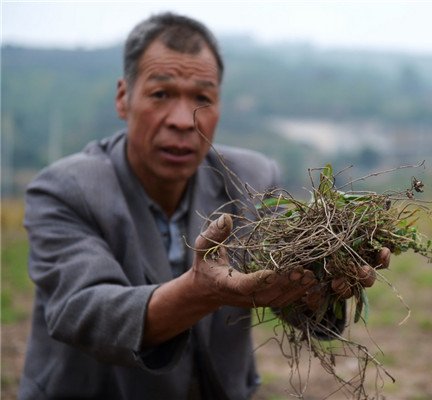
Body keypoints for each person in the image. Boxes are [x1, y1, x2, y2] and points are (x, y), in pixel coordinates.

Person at [18, 12, 390, 400]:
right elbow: (85, 311)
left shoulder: (252, 179)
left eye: (202, 98)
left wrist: (327, 275)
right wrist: (202, 292)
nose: (183, 120)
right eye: (160, 94)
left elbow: (295, 281)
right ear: (123, 98)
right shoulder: (65, 190)